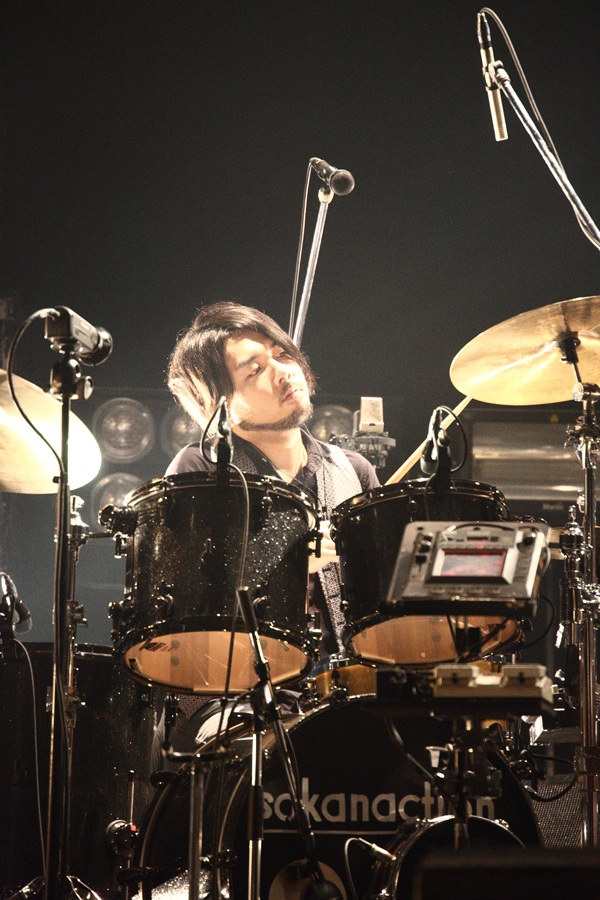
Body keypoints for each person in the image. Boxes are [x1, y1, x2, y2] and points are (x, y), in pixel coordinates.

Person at [159, 301, 379, 752]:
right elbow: (181, 605)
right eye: (255, 369)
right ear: (215, 404)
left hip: (344, 690)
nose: (284, 372)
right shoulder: (202, 470)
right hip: (233, 696)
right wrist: (291, 563)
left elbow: (380, 603)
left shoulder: (352, 471)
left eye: (282, 354)